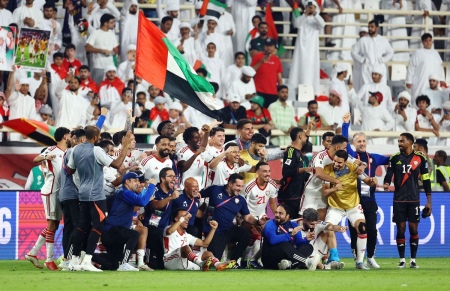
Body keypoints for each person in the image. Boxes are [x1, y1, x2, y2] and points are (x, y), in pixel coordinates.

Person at [66, 127, 134, 272]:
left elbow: (70, 170)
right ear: (96, 137)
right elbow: (116, 164)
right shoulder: (97, 150)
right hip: (96, 194)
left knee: (81, 226)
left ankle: (73, 260)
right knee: (98, 226)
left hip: (82, 193)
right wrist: (125, 147)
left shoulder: (76, 149)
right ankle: (87, 260)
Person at [342, 113, 389, 268]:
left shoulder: (374, 158)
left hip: (369, 200)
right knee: (356, 231)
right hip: (353, 200)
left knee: (372, 230)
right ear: (353, 144)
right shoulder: (350, 156)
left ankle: (370, 257)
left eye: (363, 141)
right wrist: (346, 124)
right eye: (358, 141)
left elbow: (391, 160)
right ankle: (358, 259)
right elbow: (343, 139)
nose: (361, 143)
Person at [322, 150, 378, 270]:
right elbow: (325, 192)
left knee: (362, 228)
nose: (336, 164)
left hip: (353, 206)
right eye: (335, 161)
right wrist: (334, 189)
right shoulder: (327, 170)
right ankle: (333, 259)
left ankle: (359, 262)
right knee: (328, 227)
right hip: (335, 207)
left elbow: (368, 181)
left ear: (345, 162)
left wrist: (374, 181)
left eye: (339, 162)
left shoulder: (354, 168)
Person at [383, 133, 432, 268]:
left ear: (410, 142)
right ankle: (402, 260)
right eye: (398, 141)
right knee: (401, 228)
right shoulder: (395, 158)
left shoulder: (420, 158)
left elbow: (426, 179)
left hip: (414, 199)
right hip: (398, 199)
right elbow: (389, 173)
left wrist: (429, 201)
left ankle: (413, 260)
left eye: (402, 141)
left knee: (413, 228)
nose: (399, 143)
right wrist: (386, 183)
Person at [25, 127, 71, 270]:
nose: (71, 137)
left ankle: (33, 253)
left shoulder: (67, 152)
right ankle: (49, 260)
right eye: (69, 135)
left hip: (59, 192)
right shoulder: (52, 149)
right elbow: (35, 159)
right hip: (51, 191)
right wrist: (46, 157)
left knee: (55, 225)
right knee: (52, 225)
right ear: (65, 137)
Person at [200, 173, 264, 268]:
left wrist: (258, 222)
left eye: (241, 186)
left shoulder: (241, 200)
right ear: (230, 184)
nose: (240, 189)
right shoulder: (215, 189)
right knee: (214, 259)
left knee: (245, 235)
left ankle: (233, 261)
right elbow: (198, 195)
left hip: (229, 229)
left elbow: (247, 217)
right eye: (238, 186)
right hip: (215, 231)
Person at [102, 172, 156, 271]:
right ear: (127, 181)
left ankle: (89, 257)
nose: (138, 183)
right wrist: (152, 186)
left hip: (113, 231)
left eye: (138, 181)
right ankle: (124, 263)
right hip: (112, 230)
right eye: (135, 181)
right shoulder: (125, 192)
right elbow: (142, 202)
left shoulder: (122, 192)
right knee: (134, 234)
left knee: (113, 264)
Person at [300, 135, 357, 220]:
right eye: (345, 148)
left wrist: (362, 166)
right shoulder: (321, 156)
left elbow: (358, 162)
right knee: (304, 222)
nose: (346, 150)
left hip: (324, 193)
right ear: (337, 147)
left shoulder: (342, 156)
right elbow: (319, 173)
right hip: (311, 193)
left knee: (320, 225)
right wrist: (336, 181)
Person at [163, 209, 235, 271]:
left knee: (207, 253)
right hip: (170, 261)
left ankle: (218, 264)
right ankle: (201, 264)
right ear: (176, 219)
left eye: (187, 217)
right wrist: (183, 218)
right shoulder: (168, 228)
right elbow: (170, 231)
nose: (187, 219)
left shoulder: (186, 235)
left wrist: (213, 229)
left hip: (183, 262)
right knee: (185, 247)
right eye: (184, 216)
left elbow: (204, 243)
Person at [261, 204, 321, 270]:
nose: (277, 215)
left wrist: (306, 239)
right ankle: (306, 262)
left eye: (280, 213)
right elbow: (272, 240)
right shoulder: (270, 224)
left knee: (308, 247)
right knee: (284, 244)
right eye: (276, 212)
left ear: (287, 216)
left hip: (285, 257)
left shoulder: (293, 225)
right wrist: (290, 235)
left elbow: (298, 243)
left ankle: (289, 264)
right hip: (269, 259)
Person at [243, 162, 278, 268]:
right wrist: (248, 220)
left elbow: (272, 203)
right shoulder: (249, 187)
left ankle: (254, 260)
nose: (268, 174)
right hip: (248, 216)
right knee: (251, 238)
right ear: (257, 173)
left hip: (262, 216)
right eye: (264, 171)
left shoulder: (272, 185)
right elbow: (243, 207)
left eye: (269, 171)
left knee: (268, 237)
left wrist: (277, 216)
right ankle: (243, 261)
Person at [289, 1, 324, 95]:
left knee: (311, 68)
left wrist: (315, 13)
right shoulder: (302, 18)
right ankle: (296, 88)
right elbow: (296, 24)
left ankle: (312, 90)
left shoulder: (317, 19)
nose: (310, 9)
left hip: (312, 49)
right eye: (309, 7)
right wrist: (305, 14)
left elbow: (322, 24)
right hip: (301, 48)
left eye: (312, 7)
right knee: (299, 66)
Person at [278, 127, 311, 217]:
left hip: (296, 195)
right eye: (305, 136)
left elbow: (306, 143)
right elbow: (286, 172)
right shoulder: (291, 152)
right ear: (300, 136)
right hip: (289, 196)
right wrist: (303, 169)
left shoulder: (298, 152)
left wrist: (308, 130)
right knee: (288, 223)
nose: (307, 138)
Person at [406, 33, 446, 106]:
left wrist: (442, 79)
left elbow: (440, 67)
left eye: (430, 40)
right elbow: (411, 67)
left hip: (433, 81)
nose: (428, 42)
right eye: (426, 41)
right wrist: (409, 80)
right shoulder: (418, 53)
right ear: (423, 42)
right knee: (419, 97)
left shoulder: (435, 53)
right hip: (421, 81)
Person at [351, 20, 394, 85]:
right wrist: (362, 59)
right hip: (367, 68)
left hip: (379, 67)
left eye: (372, 27)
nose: (370, 29)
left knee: (380, 90)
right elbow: (353, 52)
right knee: (367, 90)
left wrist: (383, 59)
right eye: (369, 27)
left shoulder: (383, 40)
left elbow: (391, 52)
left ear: (377, 28)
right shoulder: (363, 40)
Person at [4, 68, 39, 141]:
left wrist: (28, 130)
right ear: (19, 86)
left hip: (26, 132)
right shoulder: (15, 96)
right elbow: (9, 100)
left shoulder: (31, 100)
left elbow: (32, 116)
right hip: (14, 129)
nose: (25, 87)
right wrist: (16, 91)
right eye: (23, 85)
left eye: (27, 85)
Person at [85, 13, 119, 84]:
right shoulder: (95, 33)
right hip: (99, 66)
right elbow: (87, 48)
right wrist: (101, 50)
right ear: (105, 23)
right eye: (112, 22)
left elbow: (115, 49)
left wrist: (115, 51)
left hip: (110, 67)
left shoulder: (112, 34)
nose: (114, 24)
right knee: (97, 88)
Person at [251, 38, 283, 108]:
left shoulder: (277, 60)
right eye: (267, 45)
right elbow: (251, 71)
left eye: (270, 46)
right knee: (259, 111)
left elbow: (279, 77)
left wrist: (281, 90)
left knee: (270, 113)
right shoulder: (257, 57)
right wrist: (261, 62)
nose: (268, 48)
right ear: (264, 46)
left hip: (273, 91)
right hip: (259, 90)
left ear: (274, 47)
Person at [177, 125, 210, 189]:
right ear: (189, 140)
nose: (199, 139)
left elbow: (203, 146)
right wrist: (196, 154)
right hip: (185, 189)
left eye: (199, 137)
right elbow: (183, 168)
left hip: (200, 190)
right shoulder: (183, 151)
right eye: (196, 137)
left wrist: (207, 133)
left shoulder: (202, 151)